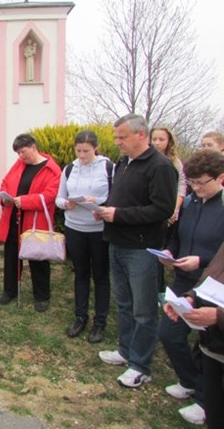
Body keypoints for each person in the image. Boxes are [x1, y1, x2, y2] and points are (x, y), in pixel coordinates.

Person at [97, 114, 178, 388]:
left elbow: (162, 209)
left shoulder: (161, 166)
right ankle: (125, 351)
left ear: (140, 135)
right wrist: (105, 210)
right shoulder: (122, 163)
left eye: (122, 137)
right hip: (117, 243)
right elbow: (121, 198)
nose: (117, 142)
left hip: (142, 249)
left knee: (144, 311)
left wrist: (118, 214)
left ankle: (140, 365)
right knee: (124, 304)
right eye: (116, 137)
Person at [158, 149, 224, 426]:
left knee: (209, 348)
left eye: (201, 183)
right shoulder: (192, 203)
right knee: (170, 333)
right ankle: (191, 382)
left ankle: (204, 399)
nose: (195, 188)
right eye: (192, 183)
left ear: (221, 178)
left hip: (214, 287)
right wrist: (170, 252)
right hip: (188, 283)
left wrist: (201, 260)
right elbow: (179, 234)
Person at [55, 130, 112, 343]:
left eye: (86, 151)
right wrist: (66, 203)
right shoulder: (70, 168)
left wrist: (99, 203)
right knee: (80, 273)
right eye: (78, 150)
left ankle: (100, 321)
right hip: (74, 227)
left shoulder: (108, 167)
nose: (82, 155)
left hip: (98, 230)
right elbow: (58, 198)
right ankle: (80, 316)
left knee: (100, 276)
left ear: (95, 148)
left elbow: (115, 196)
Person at [0, 133, 61, 312]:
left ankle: (42, 296)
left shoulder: (52, 169)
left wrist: (24, 201)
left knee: (37, 258)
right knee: (11, 256)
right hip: (13, 218)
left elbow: (50, 195)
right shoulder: (19, 164)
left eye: (23, 152)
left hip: (34, 221)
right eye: (18, 153)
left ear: (33, 147)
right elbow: (6, 182)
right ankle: (10, 290)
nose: (20, 156)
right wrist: (4, 198)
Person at [167, 243, 224, 429]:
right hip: (214, 347)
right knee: (214, 415)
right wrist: (192, 297)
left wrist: (218, 315)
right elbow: (214, 272)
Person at [150, 126, 186, 296]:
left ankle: (161, 290)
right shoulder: (148, 159)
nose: (157, 143)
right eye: (154, 139)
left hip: (170, 212)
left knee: (162, 252)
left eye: (161, 139)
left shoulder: (175, 162)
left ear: (169, 141)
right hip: (152, 214)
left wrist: (174, 210)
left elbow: (181, 188)